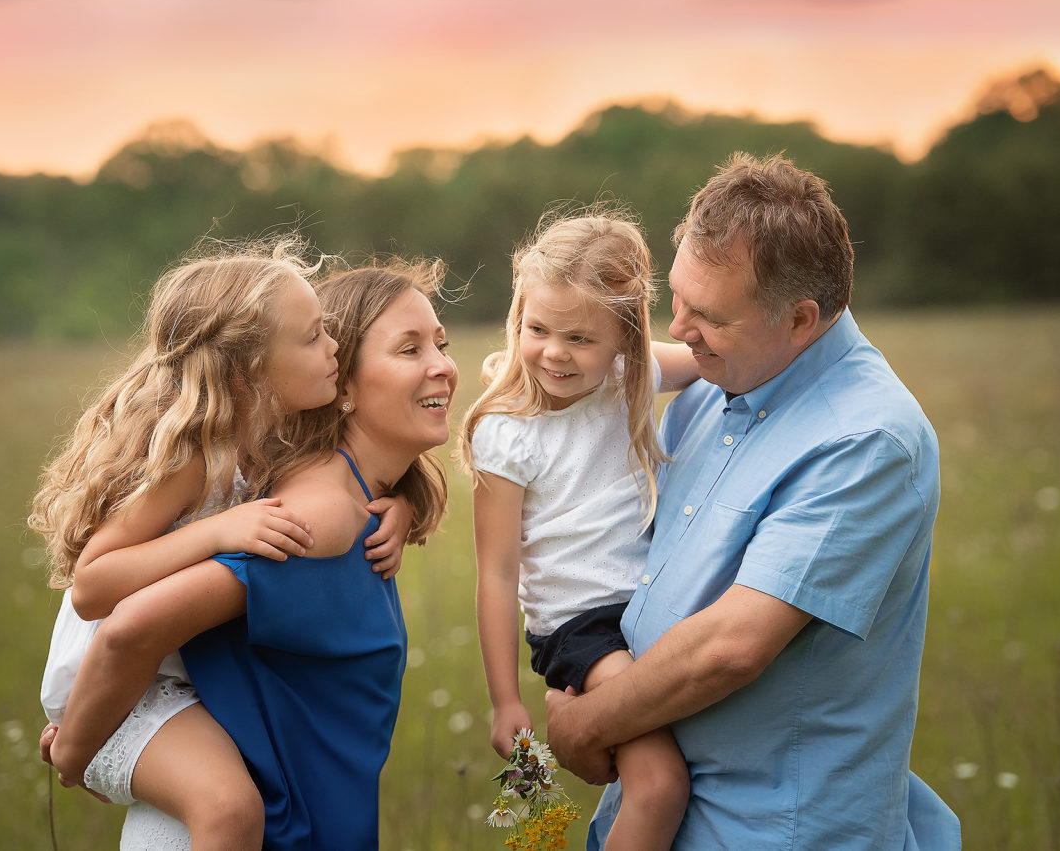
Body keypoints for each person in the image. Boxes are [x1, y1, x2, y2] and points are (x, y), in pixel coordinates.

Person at [544, 154, 961, 850]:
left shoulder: (867, 438)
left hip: (773, 828)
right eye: (675, 298)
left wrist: (586, 726)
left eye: (708, 315)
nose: (678, 329)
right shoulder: (715, 387)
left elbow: (731, 648)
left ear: (801, 319)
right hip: (653, 817)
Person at [46, 260, 458, 850]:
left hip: (169, 684)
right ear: (251, 369)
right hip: (115, 693)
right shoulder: (198, 459)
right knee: (230, 809)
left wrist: (403, 505)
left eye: (440, 344)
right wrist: (73, 750)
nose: (332, 348)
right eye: (315, 337)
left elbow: (342, 471)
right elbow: (94, 594)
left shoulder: (265, 445)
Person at [458, 210, 699, 851]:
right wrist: (504, 699)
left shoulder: (632, 378)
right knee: (658, 784)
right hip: (581, 625)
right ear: (518, 319)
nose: (555, 353)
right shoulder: (506, 432)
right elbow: (496, 572)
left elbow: (714, 356)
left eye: (580, 339)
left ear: (624, 338)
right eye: (537, 329)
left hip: (654, 604)